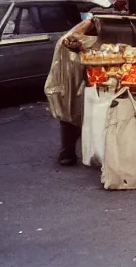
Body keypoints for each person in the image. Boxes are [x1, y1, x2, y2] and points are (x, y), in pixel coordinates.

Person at [49, 18, 97, 165]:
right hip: (72, 82)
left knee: (75, 114)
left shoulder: (77, 38)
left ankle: (72, 152)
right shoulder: (70, 41)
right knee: (71, 114)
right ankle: (69, 152)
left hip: (78, 82)